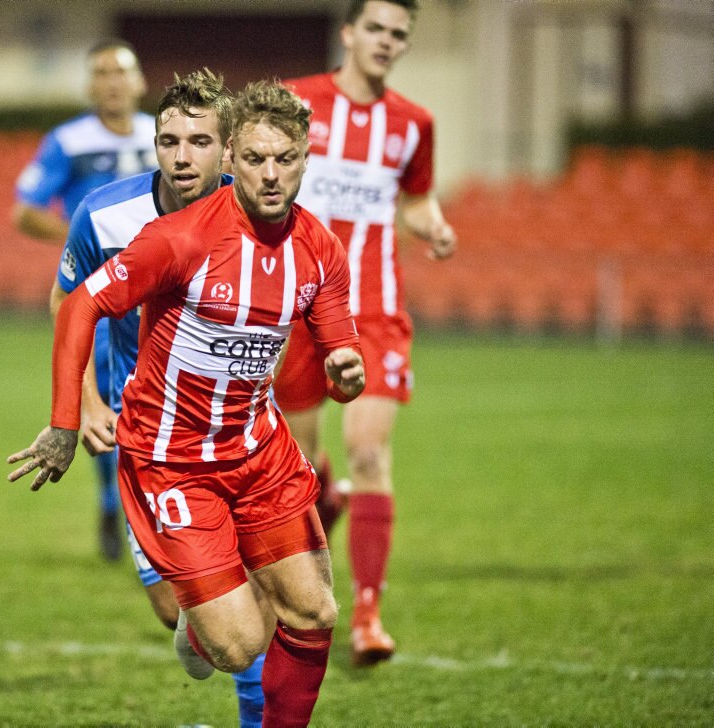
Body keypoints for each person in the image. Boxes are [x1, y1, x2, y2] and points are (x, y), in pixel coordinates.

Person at [9, 80, 365, 727]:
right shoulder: (175, 238)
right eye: (255, 157)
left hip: (259, 451)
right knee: (237, 641)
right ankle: (206, 628)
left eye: (284, 158)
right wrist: (68, 420)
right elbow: (79, 304)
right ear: (234, 158)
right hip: (171, 458)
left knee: (314, 613)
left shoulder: (319, 247)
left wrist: (347, 366)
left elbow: (338, 342)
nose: (270, 172)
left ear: (305, 159)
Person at [50, 68, 266, 728]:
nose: (182, 156)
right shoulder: (105, 215)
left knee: (261, 597)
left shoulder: (257, 209)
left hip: (237, 432)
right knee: (183, 609)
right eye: (169, 140)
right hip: (149, 439)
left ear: (226, 150)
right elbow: (67, 301)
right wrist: (85, 401)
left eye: (200, 142)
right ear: (155, 143)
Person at [275, 0, 458, 667]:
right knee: (298, 470)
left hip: (374, 312)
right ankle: (327, 501)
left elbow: (415, 200)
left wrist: (431, 225)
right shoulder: (295, 102)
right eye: (375, 28)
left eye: (399, 34)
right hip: (294, 310)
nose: (386, 41)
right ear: (349, 32)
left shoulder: (414, 125)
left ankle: (367, 614)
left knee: (370, 451)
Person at [12, 39, 157, 561]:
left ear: (141, 81)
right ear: (90, 85)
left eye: (122, 71)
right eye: (101, 72)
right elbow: (24, 211)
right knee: (103, 399)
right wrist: (82, 244)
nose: (113, 81)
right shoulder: (68, 141)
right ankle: (110, 498)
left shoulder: (165, 135)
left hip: (161, 288)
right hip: (97, 298)